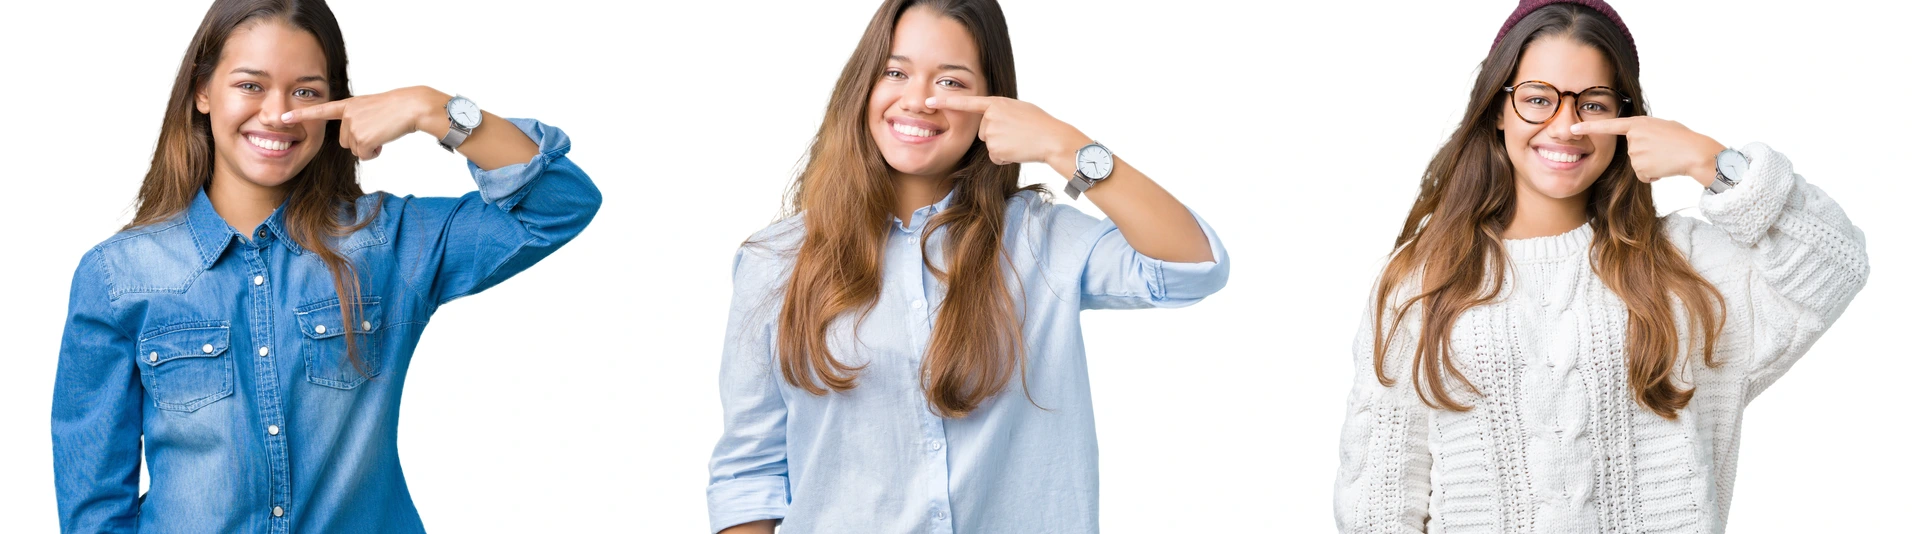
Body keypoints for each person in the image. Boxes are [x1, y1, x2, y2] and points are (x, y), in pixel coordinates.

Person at [51, 0, 600, 531]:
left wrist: (431, 109)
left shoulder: (388, 244)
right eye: (250, 85)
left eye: (306, 92)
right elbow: (94, 508)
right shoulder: (117, 277)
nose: (278, 114)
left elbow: (559, 203)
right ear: (202, 91)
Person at [1334, 1, 1869, 531]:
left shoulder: (1683, 266)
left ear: (1626, 117)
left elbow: (1835, 263)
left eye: (1592, 104)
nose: (1566, 127)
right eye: (1537, 99)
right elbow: (1377, 507)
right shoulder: (1424, 280)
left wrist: (1707, 160)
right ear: (1498, 108)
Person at [706, 0, 1229, 532]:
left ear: (992, 105)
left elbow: (1194, 266)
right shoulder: (776, 261)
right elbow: (748, 477)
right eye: (895, 72)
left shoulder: (1042, 240)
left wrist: (1064, 145)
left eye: (951, 82)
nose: (918, 100)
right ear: (863, 84)